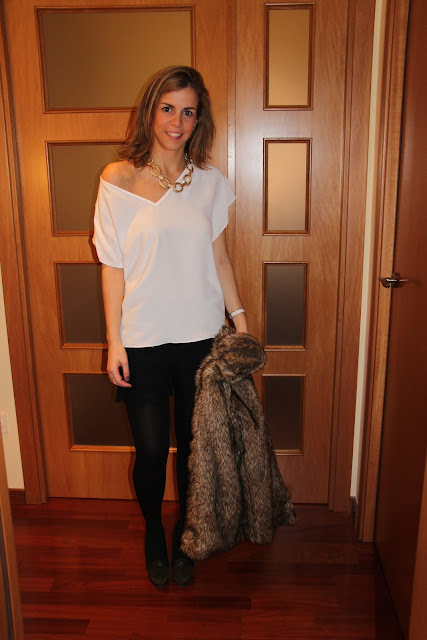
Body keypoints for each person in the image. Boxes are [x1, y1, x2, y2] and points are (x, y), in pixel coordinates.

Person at [93, 66, 247, 588]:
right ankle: (152, 531)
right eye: (167, 108)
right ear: (150, 112)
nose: (176, 122)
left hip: (201, 339)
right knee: (153, 451)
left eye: (187, 111)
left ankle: (186, 531)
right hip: (142, 340)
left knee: (194, 449)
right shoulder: (117, 179)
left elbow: (220, 259)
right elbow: (111, 266)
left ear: (198, 120)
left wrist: (241, 321)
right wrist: (114, 341)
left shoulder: (210, 183)